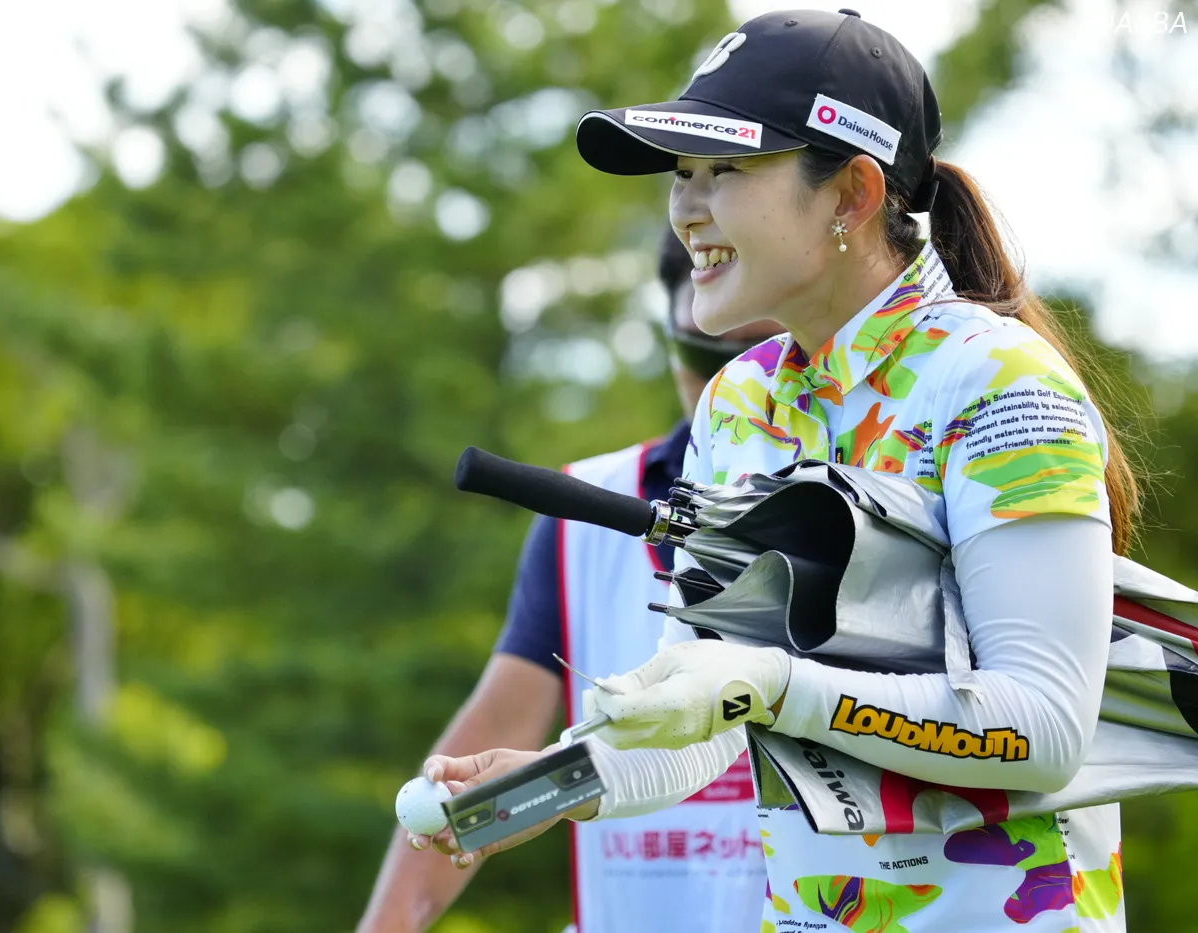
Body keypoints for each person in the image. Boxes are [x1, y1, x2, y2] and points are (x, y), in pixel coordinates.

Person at [412, 9, 1139, 933]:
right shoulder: (738, 402)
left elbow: (1044, 727)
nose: (687, 209)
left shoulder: (999, 381)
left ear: (851, 194)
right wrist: (552, 782)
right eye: (682, 174)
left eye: (725, 170)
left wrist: (773, 685)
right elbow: (706, 715)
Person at [358, 232, 782, 933]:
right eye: (706, 354)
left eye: (759, 354)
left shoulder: (876, 506)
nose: (730, 383)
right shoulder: (582, 510)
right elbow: (498, 746)